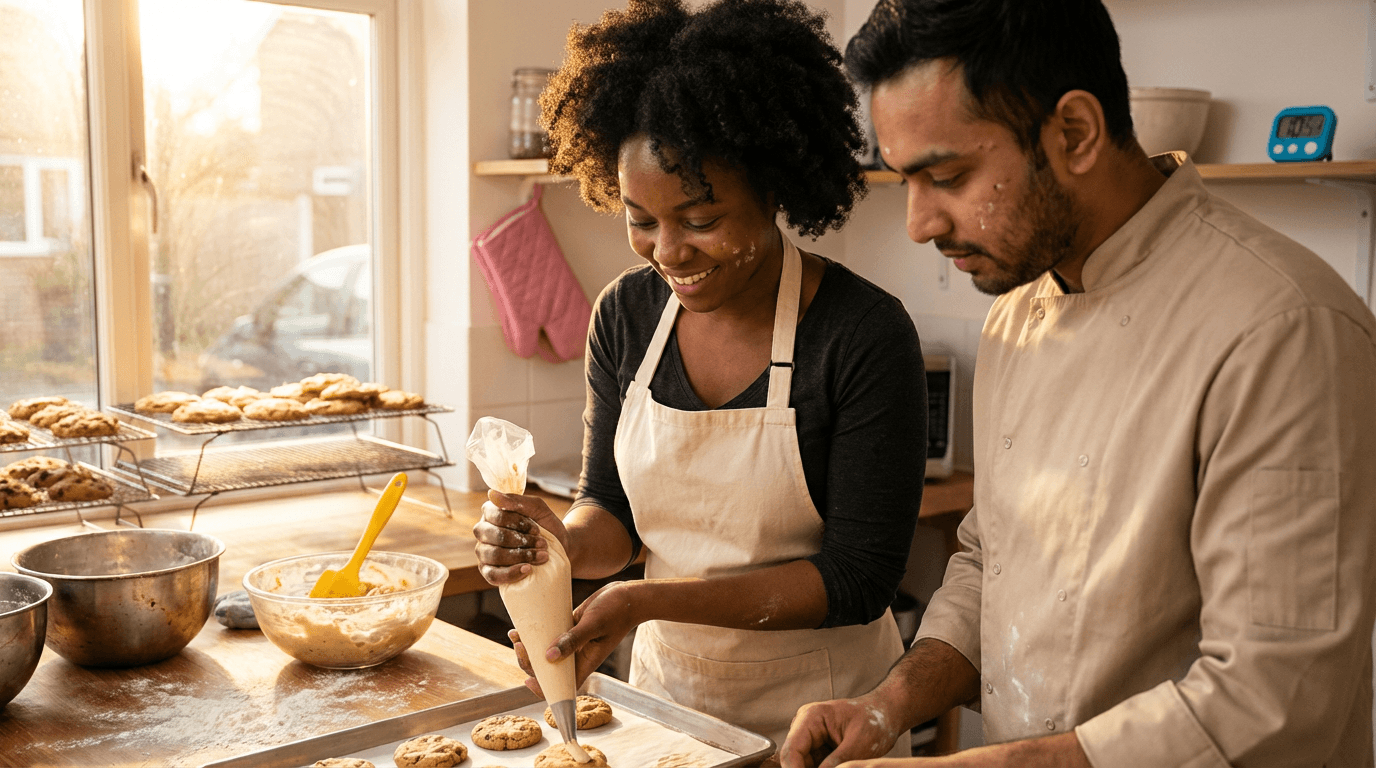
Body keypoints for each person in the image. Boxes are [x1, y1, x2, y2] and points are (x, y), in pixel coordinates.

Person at [780, 0, 1376, 766]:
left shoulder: (1284, 327)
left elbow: (1275, 696)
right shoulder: (1018, 313)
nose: (918, 224)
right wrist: (888, 704)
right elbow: (988, 565)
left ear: (1075, 133)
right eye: (906, 182)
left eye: (949, 175)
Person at [471, 0, 927, 752]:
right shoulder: (626, 314)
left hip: (827, 722)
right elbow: (609, 512)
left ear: (774, 189)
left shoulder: (861, 334)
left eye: (701, 219)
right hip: (666, 711)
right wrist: (559, 545)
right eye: (640, 218)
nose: (667, 250)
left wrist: (642, 600)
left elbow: (858, 579)